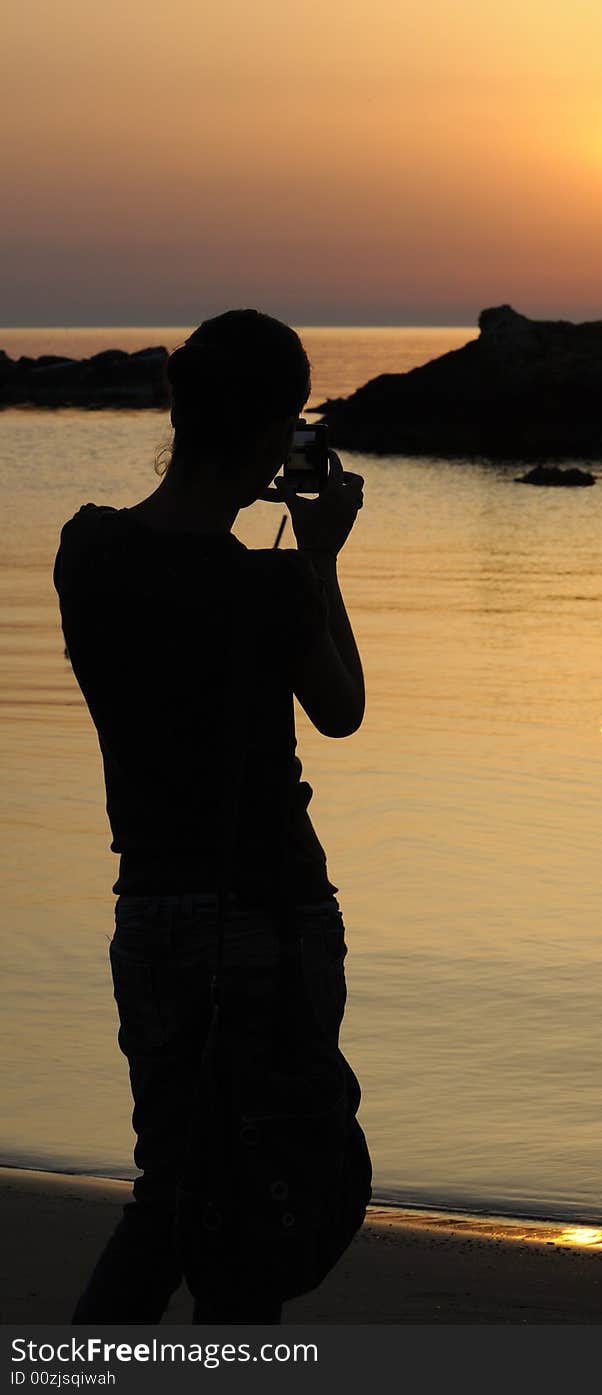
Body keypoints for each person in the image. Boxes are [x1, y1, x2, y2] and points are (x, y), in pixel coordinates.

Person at [53, 309, 368, 1324]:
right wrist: (319, 557)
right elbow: (342, 709)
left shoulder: (87, 553)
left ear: (179, 413)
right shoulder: (268, 588)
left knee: (174, 1195)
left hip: (149, 919)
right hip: (265, 922)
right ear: (277, 435)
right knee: (258, 1217)